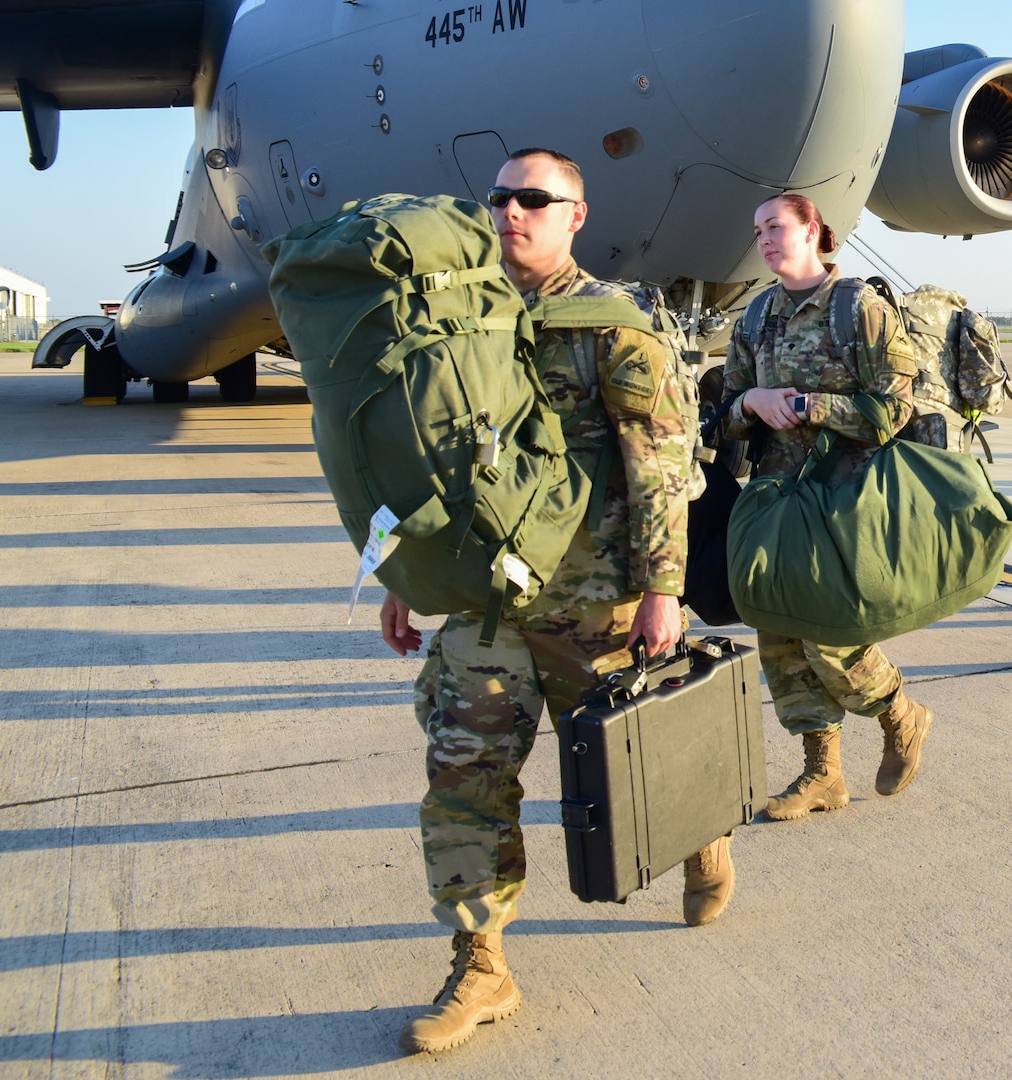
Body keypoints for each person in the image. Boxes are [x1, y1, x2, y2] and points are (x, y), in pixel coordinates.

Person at [380, 148, 722, 1056]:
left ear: (577, 214)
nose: (511, 211)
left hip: (595, 603)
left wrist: (664, 590)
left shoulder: (612, 325)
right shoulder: (460, 322)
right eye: (499, 197)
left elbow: (660, 462)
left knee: (636, 770)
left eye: (535, 198)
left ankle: (699, 836)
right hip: (488, 606)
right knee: (463, 776)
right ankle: (481, 963)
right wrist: (401, 574)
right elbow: (421, 457)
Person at [721, 192, 933, 820]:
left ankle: (901, 714)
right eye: (757, 228)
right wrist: (751, 403)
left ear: (813, 229)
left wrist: (815, 407)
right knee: (780, 640)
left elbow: (893, 410)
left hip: (846, 499)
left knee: (833, 642)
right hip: (778, 501)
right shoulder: (756, 315)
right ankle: (823, 773)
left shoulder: (858, 309)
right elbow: (725, 408)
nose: (763, 237)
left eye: (776, 225)